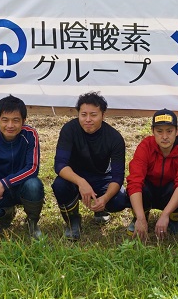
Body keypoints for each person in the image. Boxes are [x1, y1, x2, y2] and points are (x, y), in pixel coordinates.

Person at [52, 92, 127, 241]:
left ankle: (101, 209)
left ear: (103, 115)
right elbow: (60, 165)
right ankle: (73, 221)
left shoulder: (114, 137)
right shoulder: (69, 130)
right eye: (83, 114)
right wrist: (81, 182)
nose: (87, 120)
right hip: (74, 178)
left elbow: (118, 177)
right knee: (59, 185)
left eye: (93, 115)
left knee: (120, 199)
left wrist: (105, 199)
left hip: (102, 178)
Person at [0, 95, 44, 239]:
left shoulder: (30, 135)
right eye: (5, 120)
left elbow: (32, 168)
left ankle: (32, 222)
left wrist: (5, 183)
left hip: (22, 186)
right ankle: (7, 212)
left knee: (34, 185)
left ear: (24, 121)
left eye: (16, 120)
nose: (10, 125)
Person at [126, 109, 178, 242]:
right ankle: (140, 218)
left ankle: (174, 219)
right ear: (152, 131)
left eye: (169, 131)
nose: (164, 136)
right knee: (140, 187)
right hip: (150, 190)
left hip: (170, 192)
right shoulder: (145, 146)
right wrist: (140, 218)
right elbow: (134, 180)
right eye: (159, 131)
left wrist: (165, 215)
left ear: (177, 131)